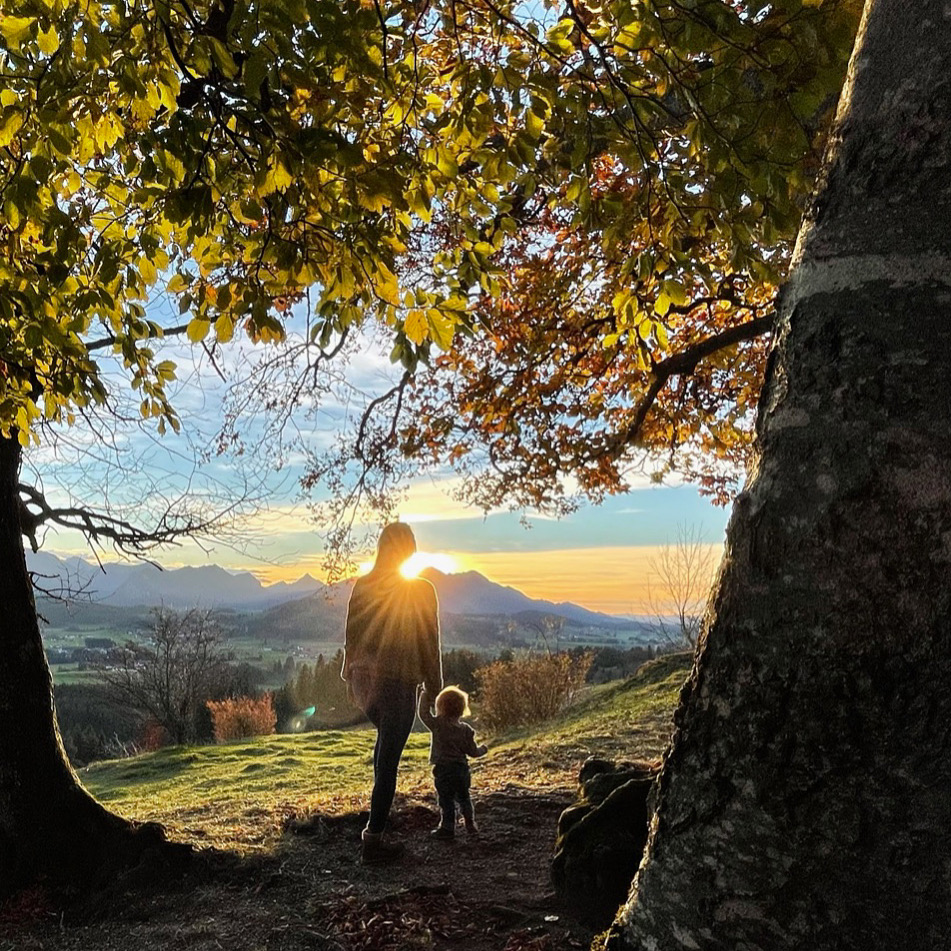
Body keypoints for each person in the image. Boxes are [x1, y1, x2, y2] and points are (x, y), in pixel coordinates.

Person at [341, 522, 442, 864]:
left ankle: (376, 826)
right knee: (388, 762)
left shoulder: (363, 585)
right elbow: (430, 642)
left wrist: (349, 675)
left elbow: (351, 636)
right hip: (398, 684)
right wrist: (435, 685)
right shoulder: (422, 590)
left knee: (383, 751)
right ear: (409, 551)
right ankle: (374, 839)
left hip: (364, 684)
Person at [417, 685, 488, 838]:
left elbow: (423, 714)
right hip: (461, 770)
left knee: (446, 799)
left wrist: (424, 694)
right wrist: (484, 749)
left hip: (443, 770)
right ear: (463, 708)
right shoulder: (466, 730)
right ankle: (470, 824)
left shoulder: (438, 725)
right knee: (464, 798)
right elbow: (473, 752)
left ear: (440, 705)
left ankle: (447, 828)